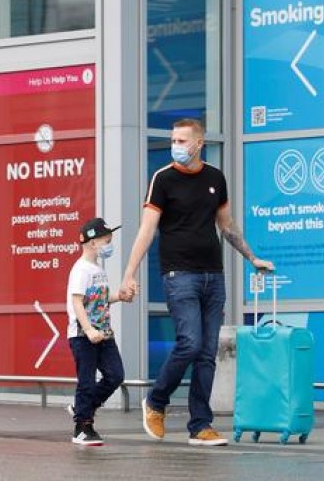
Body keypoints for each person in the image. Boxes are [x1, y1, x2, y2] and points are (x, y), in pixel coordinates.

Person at [120, 118, 274, 446]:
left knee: (206, 353)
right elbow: (147, 229)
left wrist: (252, 258)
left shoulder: (215, 178)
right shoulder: (163, 179)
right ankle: (156, 401)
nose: (175, 145)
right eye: (173, 139)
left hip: (213, 275)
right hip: (179, 274)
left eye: (182, 140)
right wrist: (129, 274)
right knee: (189, 343)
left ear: (198, 143)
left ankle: (200, 426)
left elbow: (227, 226)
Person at [67, 217, 128, 446]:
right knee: (86, 382)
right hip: (84, 336)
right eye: (107, 240)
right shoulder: (81, 270)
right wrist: (89, 329)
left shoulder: (97, 269)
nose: (110, 244)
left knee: (116, 375)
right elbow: (77, 302)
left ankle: (81, 406)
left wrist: (119, 297)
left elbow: (100, 300)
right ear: (93, 243)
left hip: (104, 334)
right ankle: (82, 428)